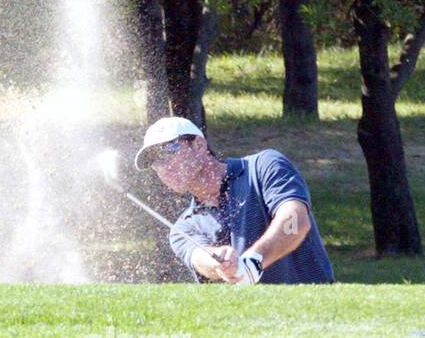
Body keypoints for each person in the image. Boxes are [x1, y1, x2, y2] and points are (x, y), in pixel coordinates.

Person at [134, 117, 334, 284]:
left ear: (199, 145)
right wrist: (219, 264)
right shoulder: (183, 229)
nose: (163, 166)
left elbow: (295, 221)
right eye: (155, 161)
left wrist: (256, 259)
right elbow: (200, 259)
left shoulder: (264, 166)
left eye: (169, 150)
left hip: (317, 312)